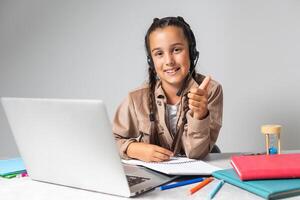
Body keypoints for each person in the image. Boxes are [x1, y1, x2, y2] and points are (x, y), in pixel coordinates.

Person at [113, 16, 223, 162]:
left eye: (176, 50)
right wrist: (134, 149)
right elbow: (109, 141)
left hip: (197, 177)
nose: (169, 61)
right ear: (151, 61)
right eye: (159, 54)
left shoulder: (210, 91)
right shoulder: (136, 98)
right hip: (155, 177)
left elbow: (196, 153)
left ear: (191, 52)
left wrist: (200, 115)